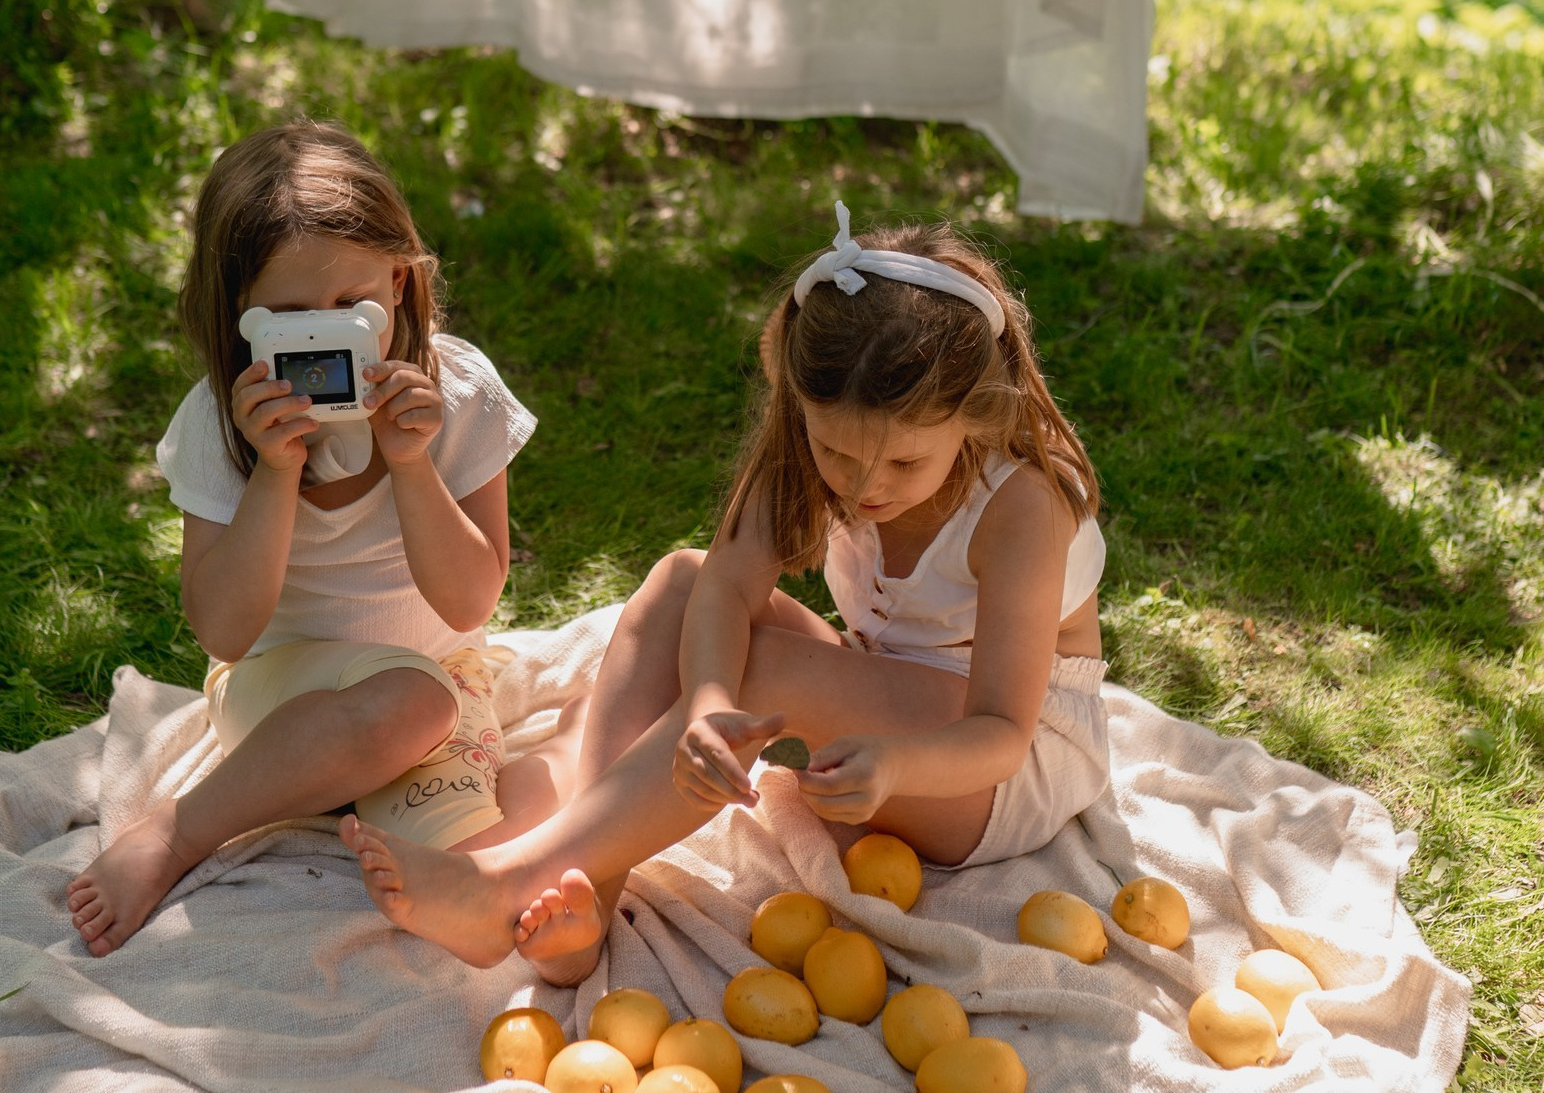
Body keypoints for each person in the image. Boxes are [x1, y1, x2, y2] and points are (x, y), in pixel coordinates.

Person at [339, 200, 1109, 986]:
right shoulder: (818, 445)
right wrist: (705, 706)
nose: (866, 484)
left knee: (767, 671)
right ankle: (585, 900)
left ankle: (505, 880)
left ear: (973, 417)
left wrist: (896, 765)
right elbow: (725, 586)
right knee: (682, 579)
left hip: (1002, 763)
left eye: (905, 465)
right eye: (837, 452)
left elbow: (1003, 731)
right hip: (896, 687)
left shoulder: (1021, 506)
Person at [66, 121, 585, 970]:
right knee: (405, 702)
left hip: (436, 695)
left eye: (353, 308)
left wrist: (411, 466)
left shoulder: (458, 392)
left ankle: (553, 773)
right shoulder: (218, 420)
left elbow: (467, 601)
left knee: (487, 888)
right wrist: (274, 473)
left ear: (400, 277)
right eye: (293, 318)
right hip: (279, 696)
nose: (327, 336)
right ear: (237, 313)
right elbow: (225, 632)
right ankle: (179, 829)